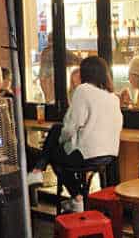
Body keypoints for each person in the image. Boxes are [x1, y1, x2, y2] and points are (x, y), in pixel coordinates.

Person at [29, 56, 122, 212]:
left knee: (54, 146)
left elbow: (71, 126)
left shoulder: (83, 90)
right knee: (57, 136)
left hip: (86, 155)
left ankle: (74, 195)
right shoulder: (113, 98)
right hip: (109, 155)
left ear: (85, 73)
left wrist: (61, 140)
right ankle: (41, 174)